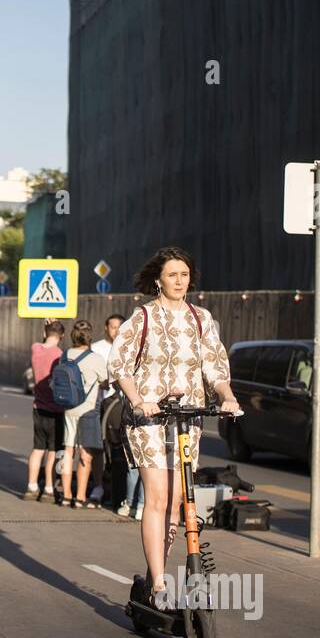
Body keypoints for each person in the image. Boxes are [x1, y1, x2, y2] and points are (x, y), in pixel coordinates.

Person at [109, 247, 241, 612]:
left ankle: (161, 573)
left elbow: (216, 367)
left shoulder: (202, 319)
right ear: (159, 280)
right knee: (157, 496)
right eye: (172, 275)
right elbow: (119, 364)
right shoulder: (142, 318)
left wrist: (227, 398)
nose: (179, 281)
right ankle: (158, 583)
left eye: (184, 275)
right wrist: (137, 399)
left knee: (178, 503)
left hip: (188, 419)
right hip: (148, 418)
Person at [58, 320, 108, 509]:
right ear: (90, 336)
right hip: (88, 410)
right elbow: (105, 382)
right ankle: (79, 496)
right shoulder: (96, 359)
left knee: (68, 451)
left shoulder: (65, 355)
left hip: (68, 409)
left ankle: (66, 495)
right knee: (85, 454)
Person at [23, 319, 66, 502]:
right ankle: (48, 488)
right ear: (62, 337)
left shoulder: (36, 349)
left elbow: (41, 339)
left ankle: (31, 486)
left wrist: (44, 324)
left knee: (37, 448)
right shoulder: (60, 355)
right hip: (55, 409)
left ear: (45, 333)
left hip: (38, 407)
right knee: (52, 451)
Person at [88, 314, 124, 507]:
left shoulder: (129, 348)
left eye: (119, 327)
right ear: (106, 328)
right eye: (113, 327)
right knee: (98, 448)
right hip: (100, 405)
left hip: (121, 407)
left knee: (119, 450)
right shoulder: (96, 349)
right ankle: (98, 485)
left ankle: (119, 490)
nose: (116, 330)